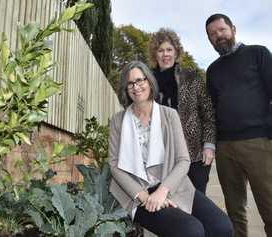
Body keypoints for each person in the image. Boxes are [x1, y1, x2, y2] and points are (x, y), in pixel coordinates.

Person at [108, 60, 233, 237]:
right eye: (130, 83)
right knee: (191, 231)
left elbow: (183, 160)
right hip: (136, 194)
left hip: (171, 185)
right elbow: (114, 165)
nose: (136, 87)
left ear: (150, 82)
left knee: (222, 227)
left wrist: (162, 192)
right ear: (126, 88)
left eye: (140, 80)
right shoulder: (118, 121)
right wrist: (145, 197)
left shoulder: (169, 115)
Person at [205, 13, 272, 237]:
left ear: (233, 28)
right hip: (225, 148)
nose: (218, 36)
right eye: (212, 34)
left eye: (221, 30)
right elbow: (213, 108)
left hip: (258, 143)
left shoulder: (258, 54)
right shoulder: (212, 70)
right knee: (235, 211)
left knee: (269, 207)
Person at [148, 28, 216, 194]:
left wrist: (209, 144)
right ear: (155, 54)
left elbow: (208, 113)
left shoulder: (191, 76)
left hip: (194, 154)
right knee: (168, 201)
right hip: (161, 155)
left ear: (176, 52)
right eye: (161, 50)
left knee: (197, 200)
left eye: (169, 49)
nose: (165, 54)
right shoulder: (147, 81)